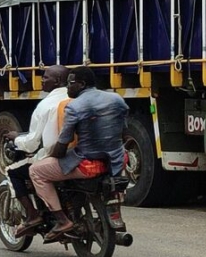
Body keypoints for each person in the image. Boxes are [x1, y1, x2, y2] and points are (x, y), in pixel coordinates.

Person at [22, 66, 128, 240]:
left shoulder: (74, 106)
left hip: (87, 162)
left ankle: (62, 220)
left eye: (70, 84)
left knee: (36, 171)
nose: (67, 88)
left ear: (81, 84)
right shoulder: (116, 99)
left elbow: (63, 144)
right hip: (116, 160)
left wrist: (48, 156)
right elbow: (123, 132)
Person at [3, 65, 70, 216]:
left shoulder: (45, 105)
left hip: (53, 157)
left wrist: (17, 138)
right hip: (76, 155)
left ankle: (32, 214)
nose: (42, 81)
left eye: (46, 77)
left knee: (12, 171)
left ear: (57, 81)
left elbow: (31, 143)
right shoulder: (75, 99)